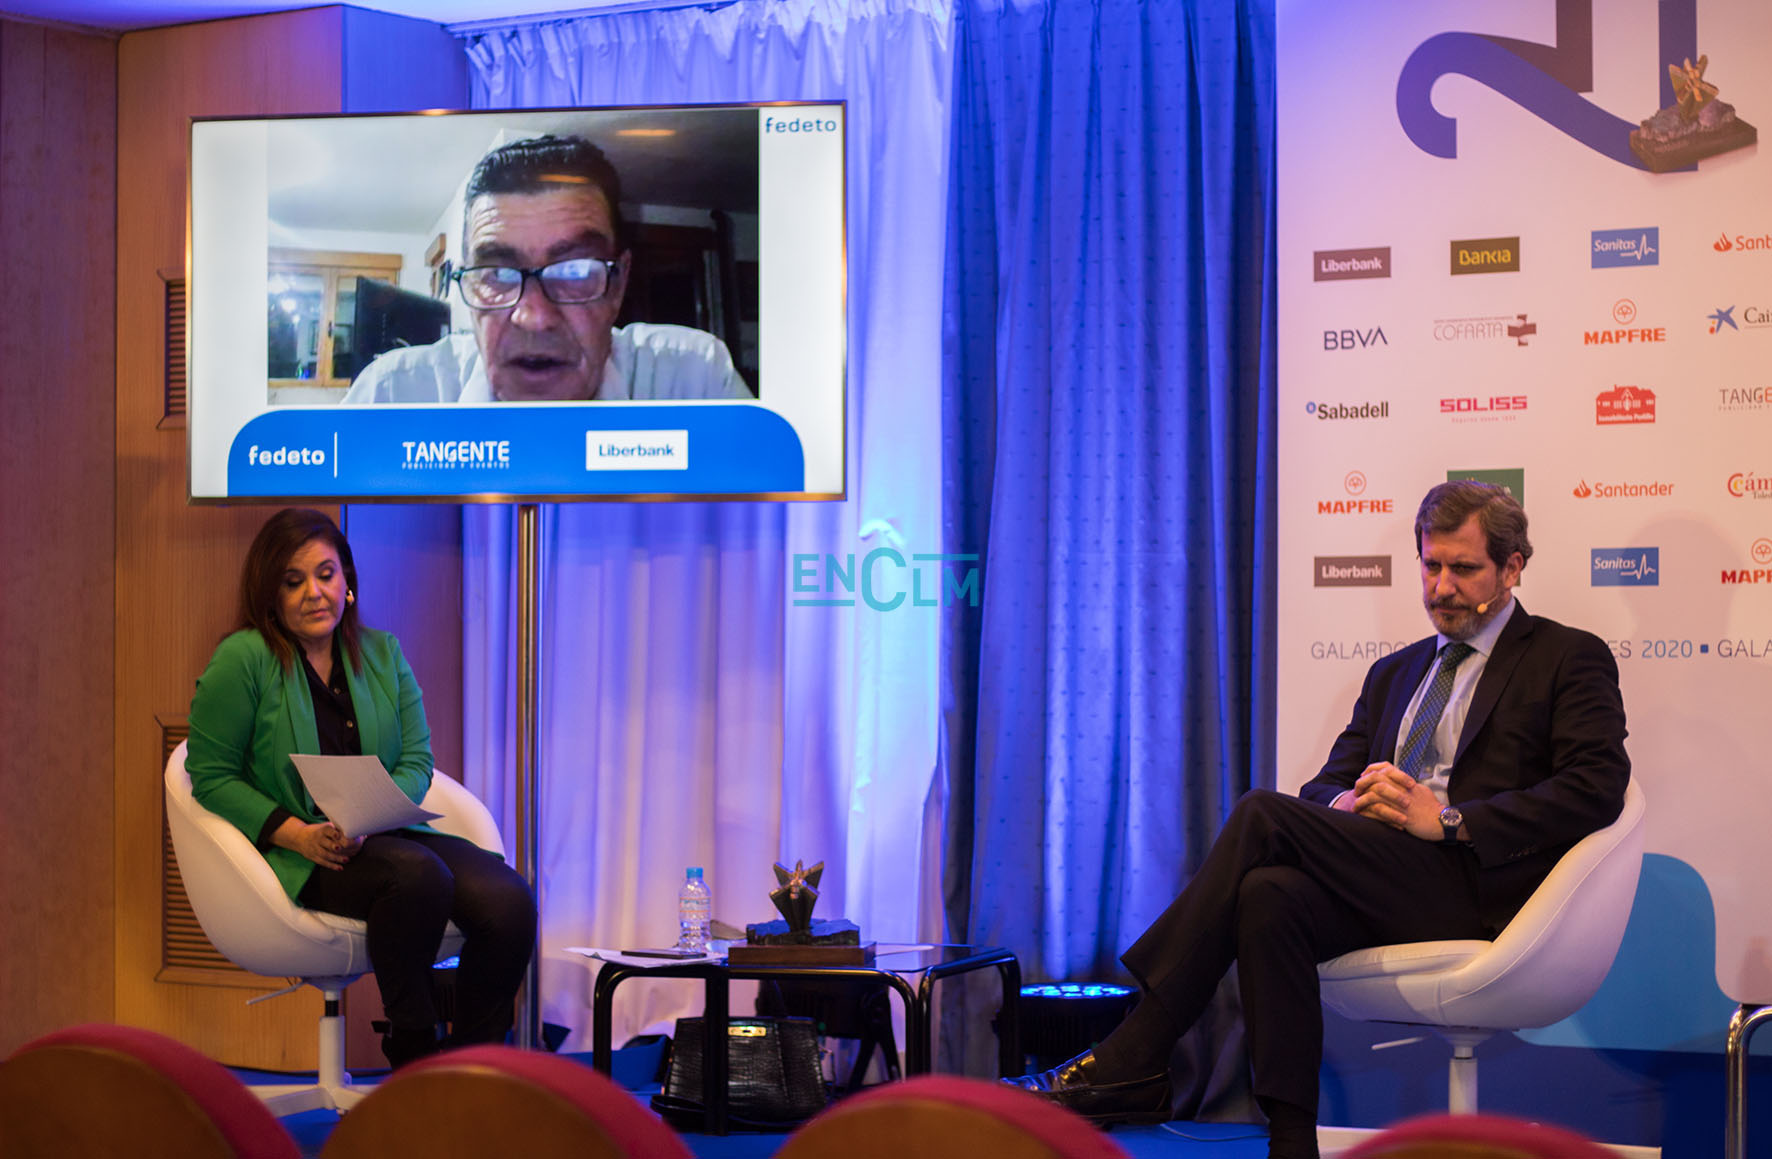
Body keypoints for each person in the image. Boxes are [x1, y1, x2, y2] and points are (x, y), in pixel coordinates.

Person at [1007, 481, 1629, 1159]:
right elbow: (1322, 785)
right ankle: (1291, 1140)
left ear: (1511, 569)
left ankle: (1138, 1046)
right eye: (1431, 565)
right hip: (1384, 875)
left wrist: (1446, 818)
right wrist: (1351, 804)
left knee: (1258, 815)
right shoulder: (1397, 672)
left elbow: (1595, 788)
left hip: (1478, 888)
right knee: (1267, 894)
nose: (1442, 586)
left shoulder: (1566, 656)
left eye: (1464, 568)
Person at [186, 508, 537, 1068]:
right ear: (269, 592)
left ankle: (471, 1065)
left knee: (510, 900)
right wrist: (295, 833)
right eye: (292, 580)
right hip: (304, 852)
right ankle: (414, 1046)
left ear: (347, 580)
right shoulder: (243, 659)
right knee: (418, 877)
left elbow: (418, 757)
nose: (313, 593)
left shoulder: (382, 653)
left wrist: (373, 812)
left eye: (325, 574)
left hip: (382, 833)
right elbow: (208, 774)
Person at [341, 134, 751, 404]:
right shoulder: (392, 395)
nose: (534, 318)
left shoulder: (694, 382)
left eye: (574, 271)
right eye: (498, 275)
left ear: (619, 283)